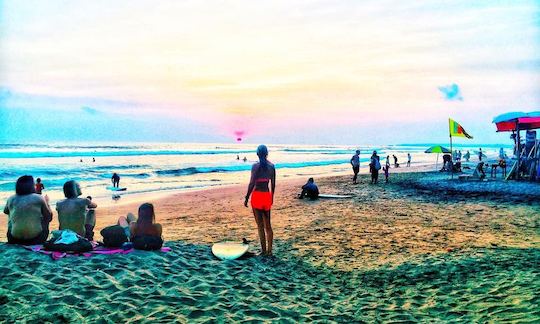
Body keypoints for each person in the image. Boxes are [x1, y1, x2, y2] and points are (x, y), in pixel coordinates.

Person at [244, 145, 276, 256]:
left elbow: (251, 183)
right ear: (267, 153)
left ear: (257, 154)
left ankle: (263, 251)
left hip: (257, 196)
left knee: (260, 226)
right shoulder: (271, 166)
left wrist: (247, 197)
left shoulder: (255, 167)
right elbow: (273, 184)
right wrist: (271, 198)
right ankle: (270, 251)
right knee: (268, 225)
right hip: (266, 196)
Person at [3, 175, 53, 244]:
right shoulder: (39, 198)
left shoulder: (11, 198)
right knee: (45, 218)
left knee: (10, 216)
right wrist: (47, 203)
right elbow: (49, 217)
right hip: (36, 239)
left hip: (13, 239)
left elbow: (5, 211)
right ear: (31, 186)